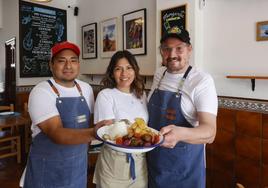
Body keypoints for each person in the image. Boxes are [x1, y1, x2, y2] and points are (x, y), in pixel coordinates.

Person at [23, 41, 111, 188]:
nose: (68, 66)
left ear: (78, 64)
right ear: (51, 65)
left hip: (77, 167)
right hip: (47, 170)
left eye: (73, 61)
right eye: (61, 61)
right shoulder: (41, 91)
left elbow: (88, 124)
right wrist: (95, 133)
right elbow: (55, 133)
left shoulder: (86, 89)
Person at [146, 28, 218, 188]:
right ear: (161, 51)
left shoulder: (202, 81)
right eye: (166, 48)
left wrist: (180, 134)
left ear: (189, 50)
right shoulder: (159, 74)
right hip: (154, 164)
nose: (172, 54)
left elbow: (210, 132)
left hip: (184, 171)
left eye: (179, 48)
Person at [93, 50, 148, 188]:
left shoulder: (141, 95)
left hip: (140, 162)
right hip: (114, 163)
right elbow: (108, 133)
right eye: (118, 69)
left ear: (135, 71)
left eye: (129, 68)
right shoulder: (106, 95)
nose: (124, 74)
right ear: (112, 73)